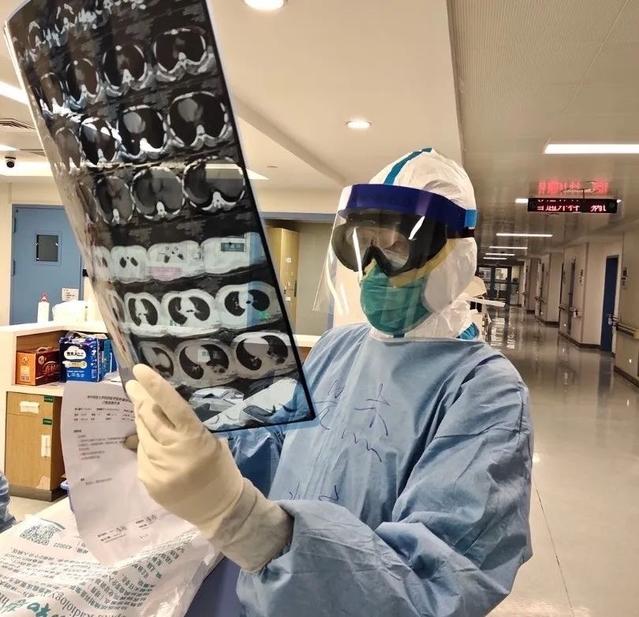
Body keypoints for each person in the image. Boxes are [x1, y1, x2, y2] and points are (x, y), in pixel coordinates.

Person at [126, 148, 533, 616]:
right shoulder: (339, 346)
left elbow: (435, 585)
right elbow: (276, 442)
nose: (373, 268)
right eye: (365, 245)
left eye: (395, 247)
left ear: (456, 257)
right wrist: (203, 439)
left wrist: (244, 522)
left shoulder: (485, 392)